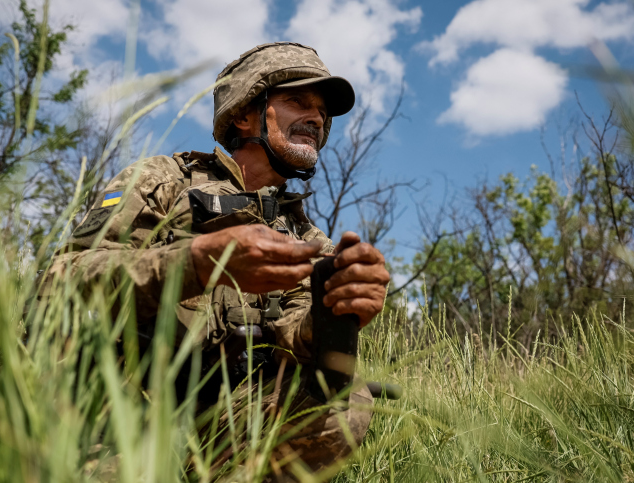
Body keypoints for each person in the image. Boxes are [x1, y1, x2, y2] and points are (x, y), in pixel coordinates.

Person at [43, 42, 391, 481]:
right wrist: (197, 264)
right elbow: (59, 282)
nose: (317, 119)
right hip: (125, 412)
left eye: (323, 112)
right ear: (244, 114)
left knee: (347, 401)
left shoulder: (306, 238)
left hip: (228, 427)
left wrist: (335, 313)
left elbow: (296, 341)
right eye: (298, 101)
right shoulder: (162, 182)